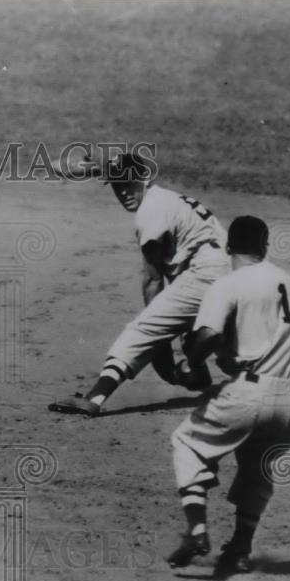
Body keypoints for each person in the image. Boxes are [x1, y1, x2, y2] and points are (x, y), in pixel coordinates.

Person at [165, 216, 290, 577]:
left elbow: (206, 336)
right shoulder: (287, 282)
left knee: (188, 443)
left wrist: (191, 362)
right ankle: (239, 549)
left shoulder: (230, 283)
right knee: (257, 465)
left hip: (251, 395)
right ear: (265, 246)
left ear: (228, 248)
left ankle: (197, 530)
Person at [49, 153, 230, 416]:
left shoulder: (150, 211)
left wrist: (159, 336)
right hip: (231, 272)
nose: (123, 192)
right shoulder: (167, 198)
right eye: (116, 185)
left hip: (206, 273)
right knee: (233, 347)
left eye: (127, 184)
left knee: (143, 329)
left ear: (144, 179)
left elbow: (153, 281)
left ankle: (96, 397)